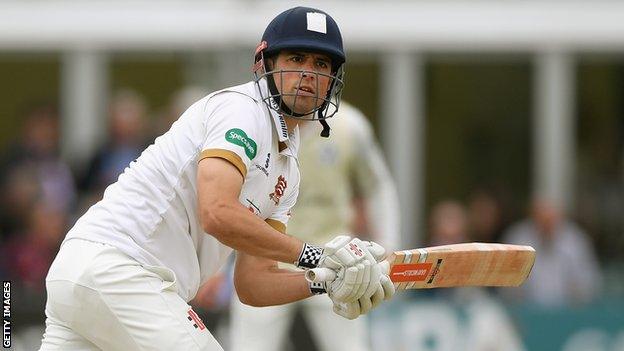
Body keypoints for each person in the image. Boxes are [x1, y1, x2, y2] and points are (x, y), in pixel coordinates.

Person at [39, 7, 394, 351]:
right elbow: (217, 213)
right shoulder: (242, 110)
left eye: (321, 64)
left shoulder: (287, 169)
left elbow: (252, 284)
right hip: (121, 268)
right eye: (296, 59)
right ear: (266, 63)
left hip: (86, 273)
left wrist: (327, 281)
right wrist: (316, 256)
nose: (309, 74)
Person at [228, 102, 401, 351]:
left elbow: (377, 185)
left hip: (337, 260)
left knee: (350, 347)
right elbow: (227, 200)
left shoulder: (350, 125)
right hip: (263, 261)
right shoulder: (254, 123)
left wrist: (388, 244)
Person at [502, 197, 602, 307]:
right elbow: (506, 282)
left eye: (551, 221)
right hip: (526, 310)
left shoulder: (576, 241)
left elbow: (589, 282)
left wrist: (576, 293)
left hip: (567, 312)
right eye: (542, 220)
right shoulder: (518, 239)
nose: (547, 225)